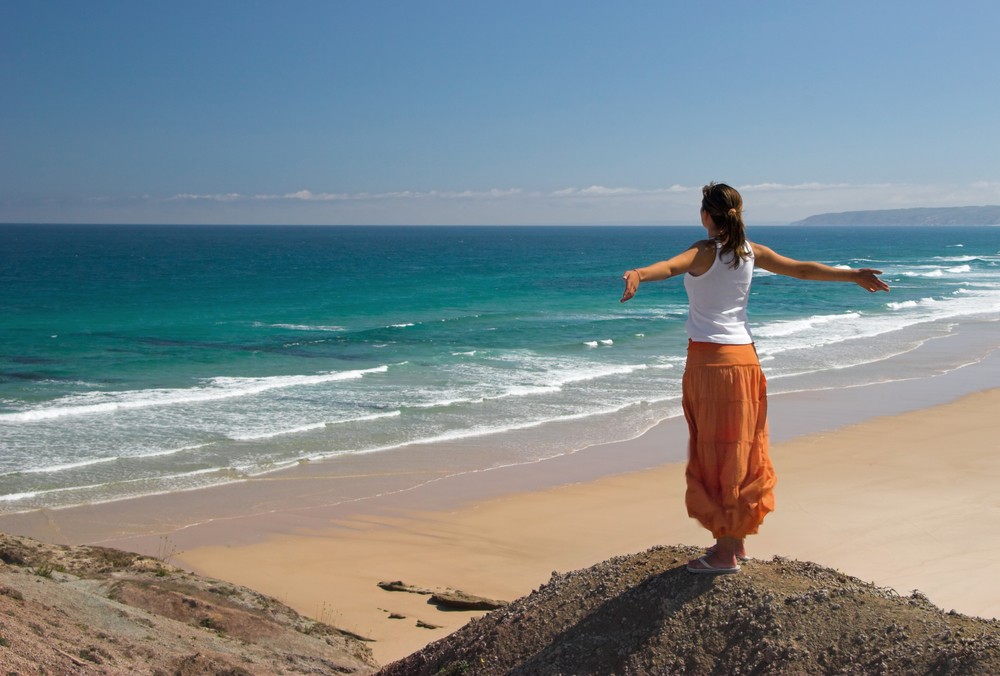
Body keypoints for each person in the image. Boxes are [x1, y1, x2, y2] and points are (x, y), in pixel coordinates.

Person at [620, 182, 889, 575]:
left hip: (711, 363)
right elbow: (802, 269)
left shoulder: (704, 250)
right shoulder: (751, 252)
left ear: (706, 215)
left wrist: (638, 274)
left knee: (717, 449)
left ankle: (725, 553)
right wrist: (852, 275)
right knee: (743, 446)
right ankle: (736, 540)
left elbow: (669, 267)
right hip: (746, 360)